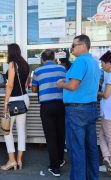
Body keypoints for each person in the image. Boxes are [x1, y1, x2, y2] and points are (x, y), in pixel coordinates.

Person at [56, 35, 101, 180]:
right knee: (91, 147)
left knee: (77, 149)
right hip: (91, 108)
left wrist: (62, 84)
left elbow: (73, 86)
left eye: (73, 45)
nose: (71, 48)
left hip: (77, 110)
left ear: (82, 45)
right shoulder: (94, 62)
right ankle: (92, 177)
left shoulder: (80, 61)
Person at [32, 49, 66, 177]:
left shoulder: (38, 71)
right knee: (61, 134)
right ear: (54, 58)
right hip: (61, 104)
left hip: (46, 106)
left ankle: (55, 167)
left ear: (42, 59)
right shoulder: (62, 69)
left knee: (50, 136)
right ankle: (61, 160)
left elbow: (34, 88)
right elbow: (67, 83)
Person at [1, 43, 30, 171]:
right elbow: (25, 84)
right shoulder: (25, 64)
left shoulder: (12, 64)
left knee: (6, 130)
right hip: (24, 98)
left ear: (10, 52)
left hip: (13, 100)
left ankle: (11, 161)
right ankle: (19, 160)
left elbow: (10, 85)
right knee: (21, 130)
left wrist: (5, 103)